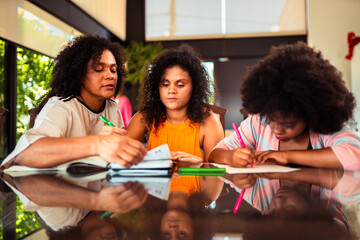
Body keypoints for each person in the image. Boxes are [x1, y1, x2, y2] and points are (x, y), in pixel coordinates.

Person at [1, 35, 146, 169]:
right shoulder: (61, 106)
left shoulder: (111, 107)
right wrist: (97, 144)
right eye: (98, 69)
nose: (110, 76)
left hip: (89, 189)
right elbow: (26, 155)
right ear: (80, 74)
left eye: (113, 70)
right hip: (43, 189)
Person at [209, 41, 360, 170]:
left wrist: (287, 156)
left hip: (315, 205)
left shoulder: (324, 128)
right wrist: (230, 157)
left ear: (310, 115)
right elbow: (215, 153)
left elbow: (355, 154)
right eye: (271, 120)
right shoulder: (257, 123)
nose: (277, 129)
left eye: (288, 124)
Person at [126, 44, 224, 163]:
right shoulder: (145, 117)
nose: (171, 90)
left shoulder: (209, 121)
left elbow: (216, 175)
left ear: (195, 87)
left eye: (180, 85)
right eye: (165, 84)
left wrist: (200, 164)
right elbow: (120, 158)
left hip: (195, 181)